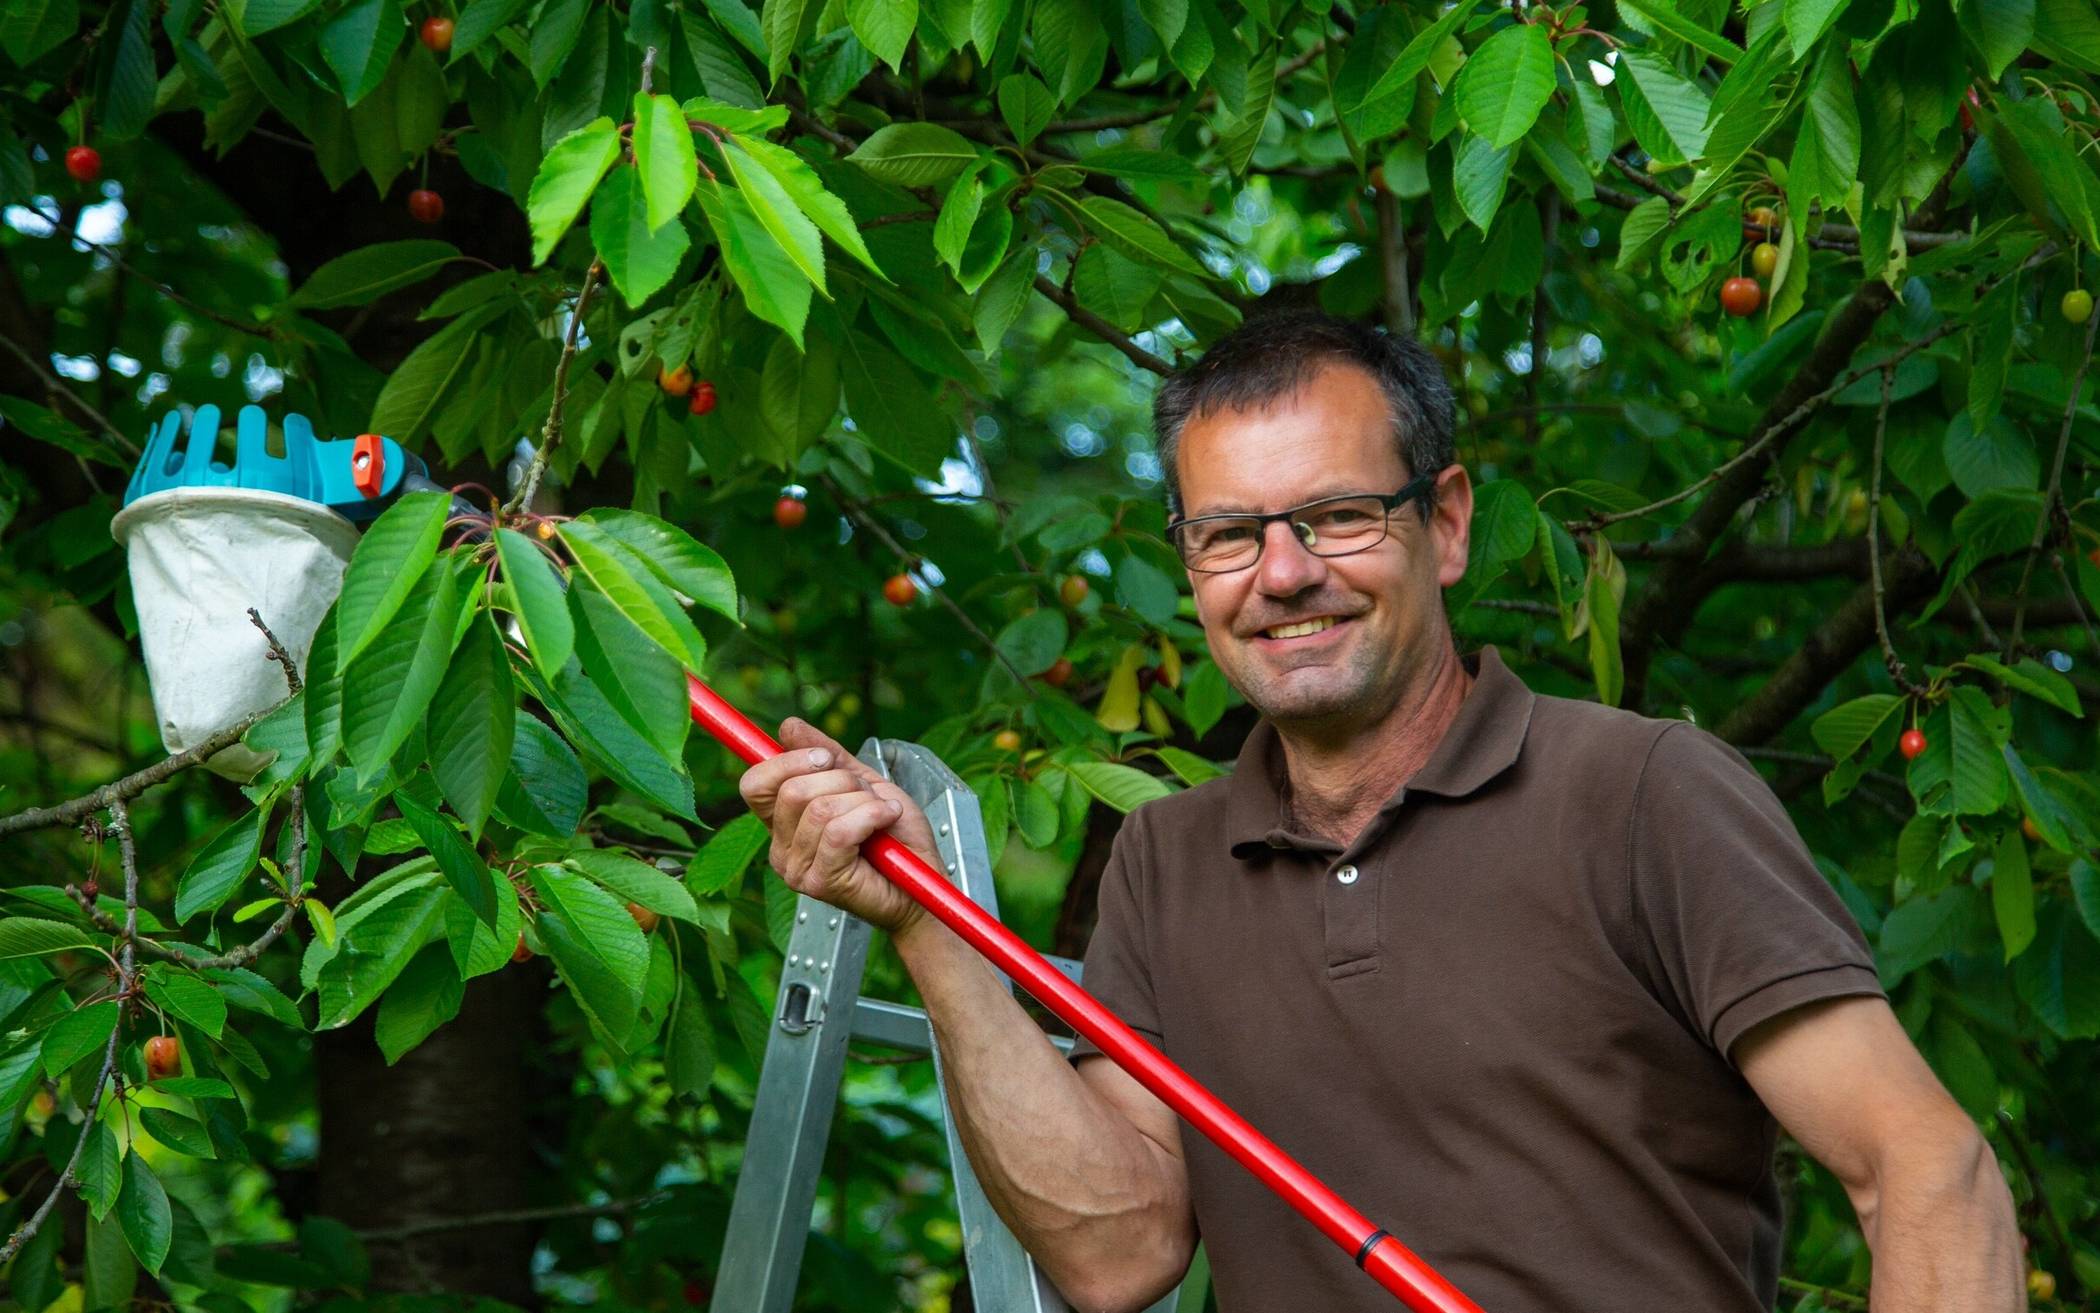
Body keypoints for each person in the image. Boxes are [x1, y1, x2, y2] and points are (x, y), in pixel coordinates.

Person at [736, 312, 2022, 1312]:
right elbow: (1118, 1251)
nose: (1284, 574)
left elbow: (1927, 1170)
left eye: (1337, 517)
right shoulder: (1167, 860)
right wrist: (931, 937)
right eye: (1231, 536)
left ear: (1446, 523)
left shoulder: (1642, 793)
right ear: (1188, 565)